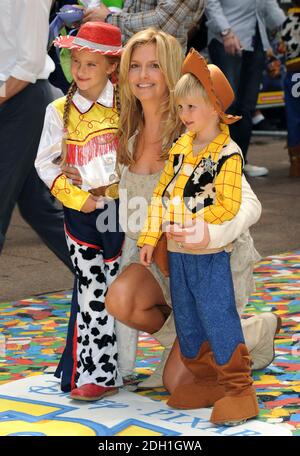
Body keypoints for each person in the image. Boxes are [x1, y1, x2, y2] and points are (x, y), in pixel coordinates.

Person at [63, 29, 281, 393]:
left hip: (205, 263)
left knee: (177, 385)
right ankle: (198, 341)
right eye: (135, 66)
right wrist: (82, 178)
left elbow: (249, 203)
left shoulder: (193, 128)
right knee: (120, 298)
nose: (143, 75)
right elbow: (118, 190)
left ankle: (246, 333)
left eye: (154, 66)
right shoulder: (128, 132)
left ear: (171, 73)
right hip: (153, 259)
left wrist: (210, 233)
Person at [138, 48, 259, 425]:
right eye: (180, 108)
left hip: (209, 255)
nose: (184, 116)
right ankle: (207, 380)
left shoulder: (228, 154)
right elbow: (161, 193)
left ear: (214, 108)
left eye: (191, 107)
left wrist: (202, 228)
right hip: (177, 253)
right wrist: (149, 235)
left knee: (217, 317)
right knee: (188, 320)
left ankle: (240, 390)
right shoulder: (180, 149)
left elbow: (229, 203)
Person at [35, 21, 124, 401]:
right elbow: (45, 163)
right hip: (83, 212)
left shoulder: (129, 104)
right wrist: (78, 198)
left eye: (91, 64)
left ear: (111, 68)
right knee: (92, 292)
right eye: (76, 62)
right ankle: (97, 374)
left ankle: (173, 361)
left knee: (129, 288)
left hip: (125, 210)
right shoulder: (59, 109)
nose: (81, 71)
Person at [0, 0, 71, 269]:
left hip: (21, 99)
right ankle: (100, 276)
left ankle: (103, 278)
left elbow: (28, 63)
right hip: (13, 98)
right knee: (37, 207)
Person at [205, 0, 286, 177]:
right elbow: (210, 2)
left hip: (257, 41)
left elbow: (268, 5)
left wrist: (287, 30)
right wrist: (225, 31)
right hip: (226, 38)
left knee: (247, 106)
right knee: (227, 105)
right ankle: (218, 164)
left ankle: (240, 163)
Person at [81, 0, 206, 52]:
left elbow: (163, 23)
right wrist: (92, 17)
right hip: (127, 62)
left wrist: (109, 18)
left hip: (163, 67)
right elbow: (131, 13)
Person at [281, 0, 300, 177]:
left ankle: (295, 161)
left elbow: (282, 46)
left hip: (293, 74)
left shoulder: (286, 21)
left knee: (294, 117)